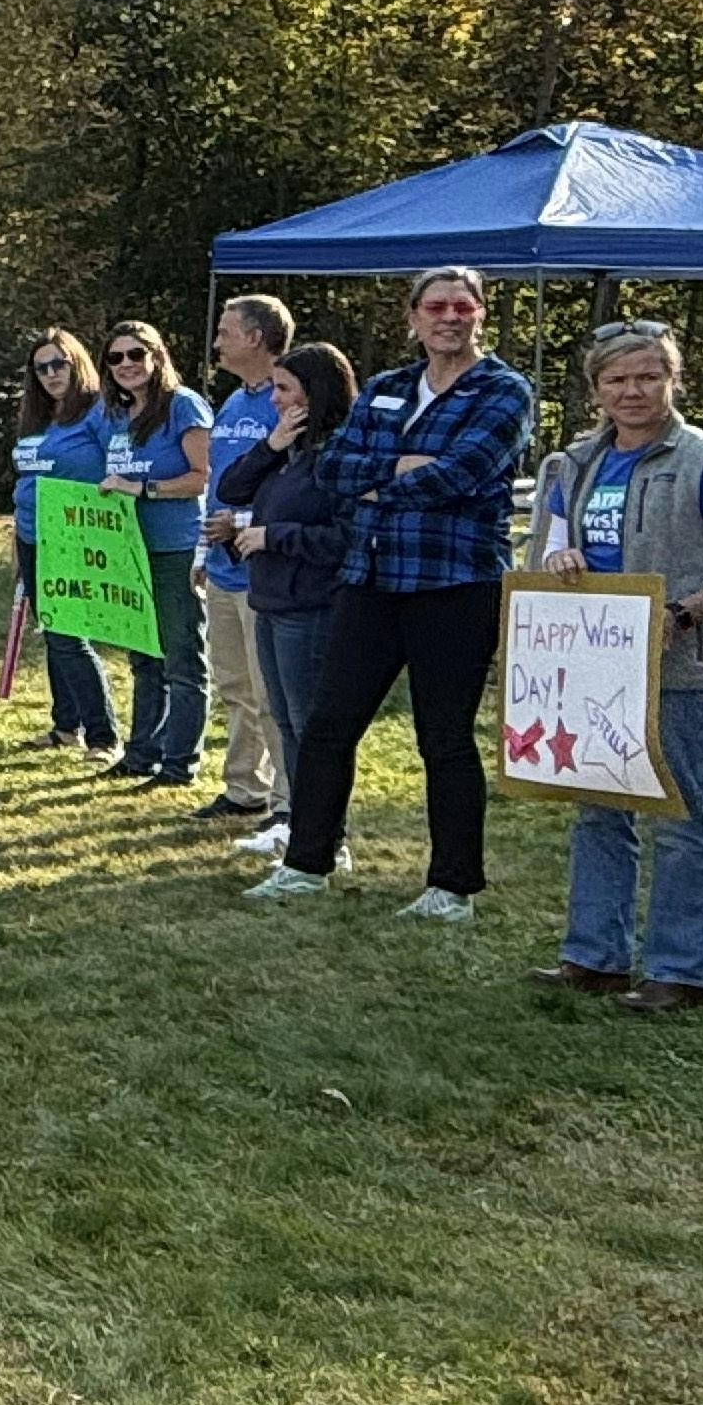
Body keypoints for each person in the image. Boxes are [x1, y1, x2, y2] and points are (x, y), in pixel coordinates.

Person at [250, 267, 535, 920]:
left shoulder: (504, 390)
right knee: (329, 726)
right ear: (413, 318)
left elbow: (464, 474)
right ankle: (306, 864)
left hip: (454, 583)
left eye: (463, 306)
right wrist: (402, 471)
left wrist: (382, 481)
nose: (449, 318)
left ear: (480, 315)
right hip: (370, 578)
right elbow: (332, 468)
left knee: (444, 738)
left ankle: (452, 887)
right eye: (436, 307)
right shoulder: (386, 388)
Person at [527, 324, 703, 1014]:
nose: (632, 391)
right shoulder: (575, 463)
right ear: (596, 389)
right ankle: (594, 956)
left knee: (683, 817)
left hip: (677, 668)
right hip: (593, 663)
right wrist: (559, 558)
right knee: (599, 812)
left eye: (647, 376)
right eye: (617, 379)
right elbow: (550, 547)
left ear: (672, 381)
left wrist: (686, 612)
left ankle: (680, 971)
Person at [212, 342, 357, 871]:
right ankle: (301, 826)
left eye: (284, 389)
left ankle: (326, 840)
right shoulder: (288, 450)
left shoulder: (340, 457)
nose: (274, 399)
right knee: (288, 724)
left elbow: (345, 538)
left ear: (314, 394)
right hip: (271, 598)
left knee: (309, 727)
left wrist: (274, 536)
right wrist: (271, 445)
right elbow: (232, 487)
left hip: (312, 605)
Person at [93, 320, 215, 787]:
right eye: (116, 357)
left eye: (136, 354)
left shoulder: (183, 405)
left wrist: (144, 488)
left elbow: (202, 477)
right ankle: (142, 753)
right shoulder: (116, 414)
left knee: (183, 658)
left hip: (175, 548)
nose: (126, 364)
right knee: (143, 657)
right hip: (131, 549)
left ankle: (180, 763)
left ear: (157, 356)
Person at [191, 295, 296, 822]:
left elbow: (297, 487)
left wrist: (244, 523)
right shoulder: (233, 402)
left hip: (264, 567)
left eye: (225, 333)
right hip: (223, 567)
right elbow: (216, 482)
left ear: (255, 338)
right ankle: (243, 787)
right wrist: (202, 549)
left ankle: (288, 800)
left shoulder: (288, 399)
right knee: (234, 685)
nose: (216, 344)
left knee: (271, 692)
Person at [9, 330, 118, 760]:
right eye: (41, 368)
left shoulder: (98, 412)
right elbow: (26, 479)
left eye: (59, 364)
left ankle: (103, 736)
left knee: (69, 636)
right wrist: (17, 541)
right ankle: (66, 725)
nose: (51, 374)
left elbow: (117, 466)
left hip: (76, 533)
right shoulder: (37, 418)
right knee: (53, 631)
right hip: (32, 534)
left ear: (78, 364)